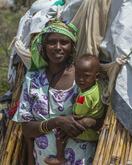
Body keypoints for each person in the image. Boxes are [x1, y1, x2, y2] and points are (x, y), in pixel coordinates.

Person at [12, 20, 102, 165]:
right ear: (43, 46)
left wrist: (87, 122)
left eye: (64, 42)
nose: (58, 47)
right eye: (52, 42)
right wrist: (57, 122)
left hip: (80, 159)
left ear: (72, 46)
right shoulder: (33, 78)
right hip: (44, 160)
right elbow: (27, 129)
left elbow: (100, 120)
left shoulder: (83, 77)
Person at [44, 54, 105, 165]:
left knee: (60, 132)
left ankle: (59, 157)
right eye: (78, 75)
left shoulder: (84, 97)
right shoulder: (97, 87)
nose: (81, 80)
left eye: (86, 76)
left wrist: (63, 121)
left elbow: (77, 115)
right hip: (94, 131)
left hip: (84, 131)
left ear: (96, 76)